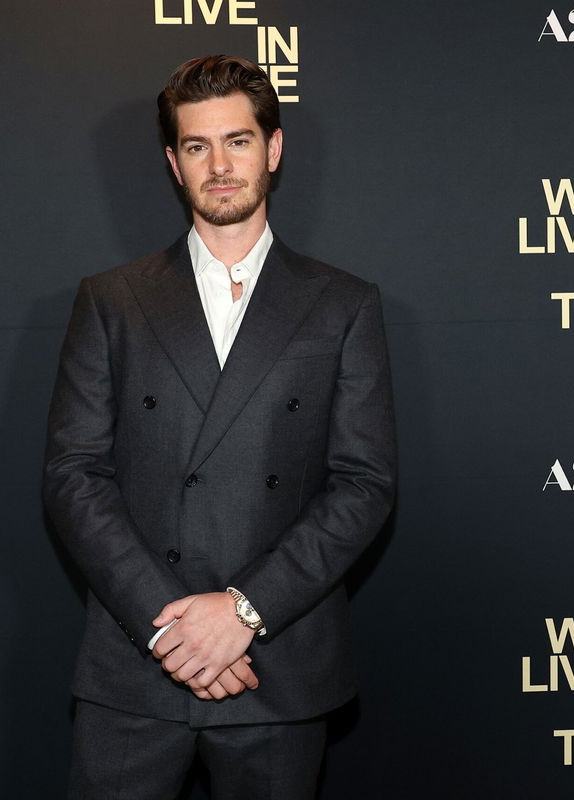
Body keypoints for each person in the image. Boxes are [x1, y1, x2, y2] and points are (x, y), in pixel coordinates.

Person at [43, 54, 396, 799]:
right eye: (198, 146)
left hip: (277, 664)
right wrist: (172, 628)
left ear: (273, 149)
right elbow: (74, 476)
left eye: (238, 141)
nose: (220, 164)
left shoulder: (343, 305)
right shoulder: (112, 300)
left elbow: (363, 486)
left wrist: (243, 610)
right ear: (174, 163)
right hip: (134, 664)